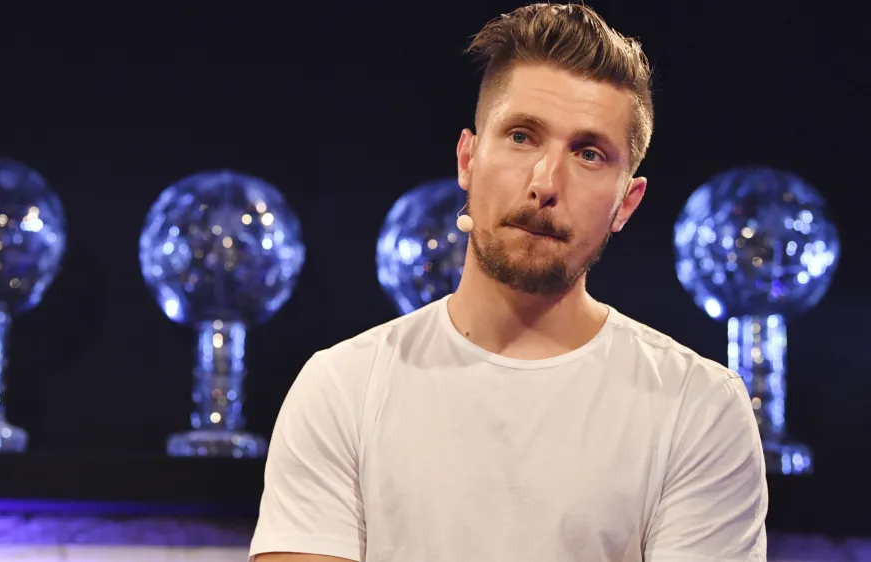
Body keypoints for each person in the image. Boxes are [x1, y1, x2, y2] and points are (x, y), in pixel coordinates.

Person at [249, 3, 768, 561]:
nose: (545, 183)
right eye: (522, 137)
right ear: (468, 159)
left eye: (589, 154)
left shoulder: (698, 408)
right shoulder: (342, 388)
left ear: (627, 202)